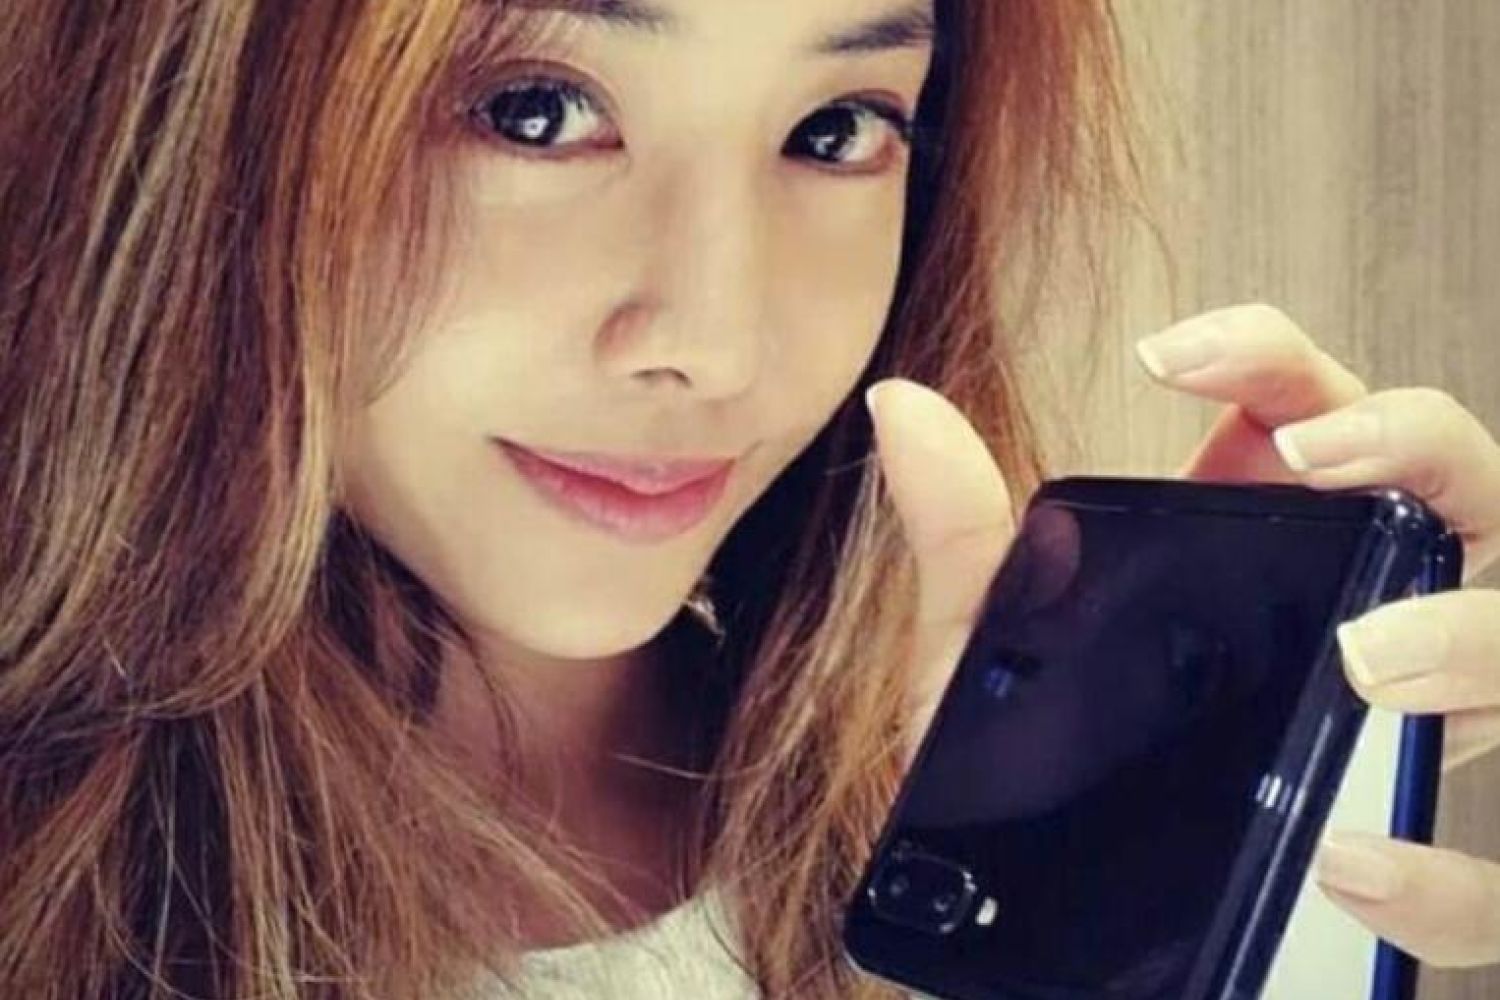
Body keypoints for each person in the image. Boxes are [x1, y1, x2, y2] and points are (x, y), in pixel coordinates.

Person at [2, 0, 1497, 997]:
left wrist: (1169, 912)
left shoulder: (935, 842)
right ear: (186, 127)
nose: (718, 343)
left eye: (836, 130)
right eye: (532, 109)